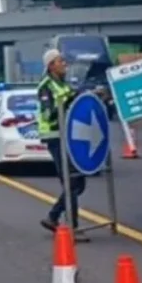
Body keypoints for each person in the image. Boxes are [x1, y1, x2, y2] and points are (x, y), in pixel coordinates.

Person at [36, 48, 86, 235]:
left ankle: (54, 217)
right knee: (72, 181)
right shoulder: (46, 86)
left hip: (69, 135)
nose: (64, 64)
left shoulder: (63, 84)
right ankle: (69, 224)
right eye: (60, 61)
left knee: (77, 182)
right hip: (55, 136)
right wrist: (69, 101)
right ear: (51, 66)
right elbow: (48, 114)